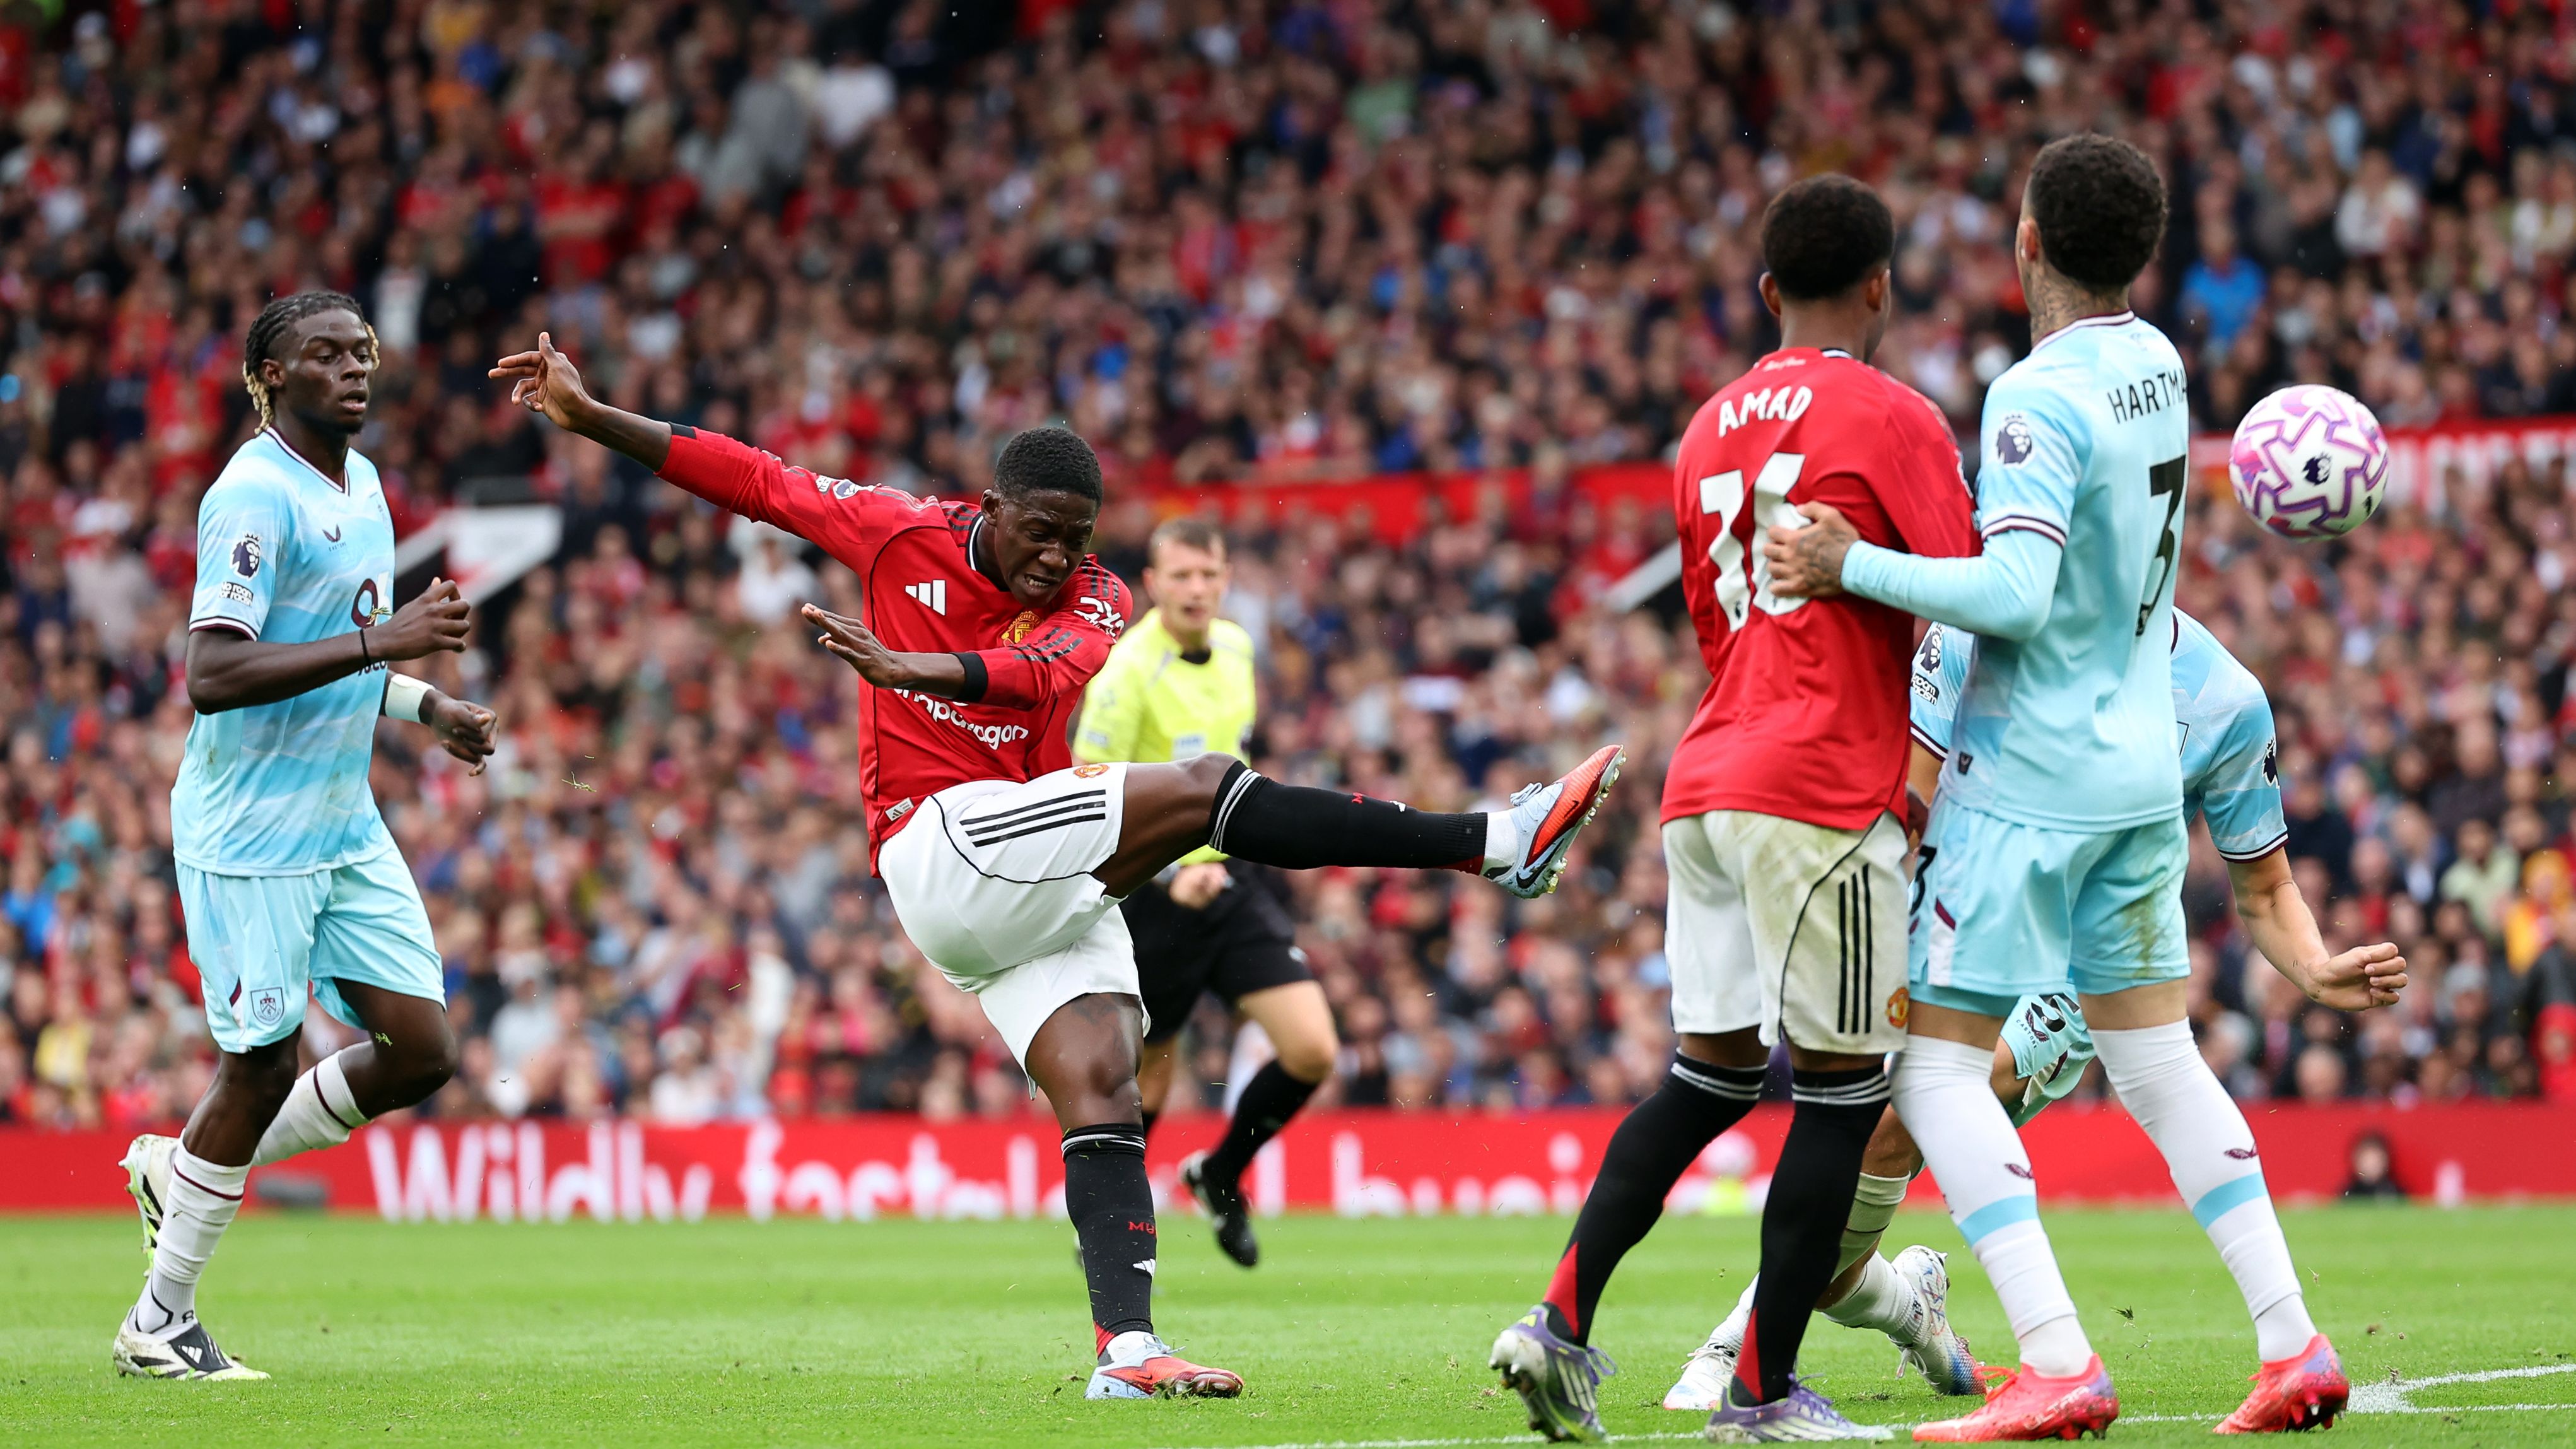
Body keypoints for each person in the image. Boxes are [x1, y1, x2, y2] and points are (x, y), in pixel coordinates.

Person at [491, 334, 1622, 1402]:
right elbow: (750, 477)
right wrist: (589, 418)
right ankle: (1490, 843)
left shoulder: (1100, 596)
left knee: (1101, 1082)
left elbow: (1038, 679)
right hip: (938, 840)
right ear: (988, 508)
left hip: (1023, 866)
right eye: (1038, 529)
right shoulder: (895, 535)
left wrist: (916, 666)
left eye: (1075, 535)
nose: (1057, 555)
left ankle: (1124, 1347)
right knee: (1202, 787)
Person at [1766, 133, 2353, 1439]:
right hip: (2144, 768)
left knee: (1926, 1073)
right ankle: (2292, 1338)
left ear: (2025, 241)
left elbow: (2016, 595)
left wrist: (1852, 563)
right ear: (2136, 252)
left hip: (2031, 784)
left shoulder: (2031, 394)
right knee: (2155, 1058)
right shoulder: (2158, 365)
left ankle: (2054, 1358)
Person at [1490, 173, 1977, 1445]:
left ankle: (1554, 1321)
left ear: (1765, 290)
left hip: (1704, 778)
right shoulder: (1892, 412)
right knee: (1836, 1089)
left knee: (1702, 1078)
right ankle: (1759, 1392)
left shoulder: (1705, 424)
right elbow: (1971, 593)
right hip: (1821, 787)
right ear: (1879, 284)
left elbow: (1720, 626)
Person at [1663, 613, 2409, 1412]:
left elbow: (2263, 885)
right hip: (1959, 917)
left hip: (2079, 963)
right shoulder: (1967, 637)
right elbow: (1905, 800)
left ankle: (1744, 1344)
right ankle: (1908, 1301)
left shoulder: (2225, 700)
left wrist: (2312, 965)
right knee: (1845, 1252)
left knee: (1924, 1093)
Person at [115, 292, 499, 1382]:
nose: (353, 369)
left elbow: (336, 651)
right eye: (324, 355)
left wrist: (428, 709)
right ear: (268, 377)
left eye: (362, 352)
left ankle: (178, 1170)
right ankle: (160, 1317)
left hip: (341, 820)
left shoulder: (362, 485)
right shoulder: (250, 494)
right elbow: (216, 671)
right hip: (253, 834)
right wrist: (389, 636)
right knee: (260, 1061)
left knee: (421, 1050)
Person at [1070, 516, 1337, 1269]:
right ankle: (1113, 1235)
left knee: (1313, 1048)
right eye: (1180, 575)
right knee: (1150, 1072)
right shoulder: (1126, 674)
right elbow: (1089, 801)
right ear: (1152, 583)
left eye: (1208, 574)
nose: (1196, 589)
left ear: (1225, 579)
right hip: (1155, 893)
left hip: (1230, 879)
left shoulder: (1241, 649)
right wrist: (1165, 872)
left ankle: (1219, 1174)